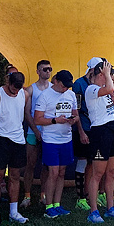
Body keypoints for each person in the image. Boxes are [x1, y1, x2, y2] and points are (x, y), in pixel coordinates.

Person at [33, 70, 80, 218]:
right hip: (50, 140)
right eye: (64, 85)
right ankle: (49, 205)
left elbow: (76, 114)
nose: (66, 88)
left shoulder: (71, 95)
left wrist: (73, 120)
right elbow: (37, 119)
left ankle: (57, 204)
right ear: (57, 82)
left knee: (61, 173)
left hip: (66, 138)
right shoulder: (45, 95)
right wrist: (54, 120)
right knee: (52, 173)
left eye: (68, 86)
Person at [0, 70, 29, 226]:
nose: (15, 91)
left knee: (15, 176)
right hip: (1, 139)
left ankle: (13, 211)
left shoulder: (24, 94)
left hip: (18, 140)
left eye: (18, 89)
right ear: (8, 82)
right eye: (13, 88)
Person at [83, 59, 114, 223]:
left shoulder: (104, 87)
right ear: (99, 73)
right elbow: (109, 88)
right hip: (100, 132)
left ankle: (110, 208)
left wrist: (108, 73)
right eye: (108, 74)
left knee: (110, 172)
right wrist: (106, 75)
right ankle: (93, 211)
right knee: (97, 173)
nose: (111, 77)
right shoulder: (91, 89)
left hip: (112, 129)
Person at [23, 60, 53, 208]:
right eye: (45, 69)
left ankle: (43, 194)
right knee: (30, 164)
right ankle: (27, 195)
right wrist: (35, 130)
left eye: (49, 69)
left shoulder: (54, 89)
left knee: (47, 166)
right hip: (33, 132)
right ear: (38, 71)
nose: (48, 72)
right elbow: (27, 113)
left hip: (50, 133)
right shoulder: (31, 89)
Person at [71, 59, 98, 211]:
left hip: (95, 127)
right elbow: (77, 110)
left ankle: (88, 193)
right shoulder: (79, 84)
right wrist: (80, 131)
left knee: (91, 162)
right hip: (83, 127)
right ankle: (80, 197)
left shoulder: (98, 82)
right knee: (82, 160)